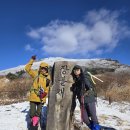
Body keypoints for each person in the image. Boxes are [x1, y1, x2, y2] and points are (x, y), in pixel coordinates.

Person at [70, 65, 101, 130]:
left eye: (77, 70)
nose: (76, 71)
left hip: (89, 100)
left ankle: (96, 128)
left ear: (80, 70)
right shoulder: (76, 80)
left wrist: (85, 93)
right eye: (74, 70)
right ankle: (92, 127)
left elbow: (90, 88)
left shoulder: (84, 78)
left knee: (93, 116)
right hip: (82, 102)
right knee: (84, 119)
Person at [25, 55, 51, 128]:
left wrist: (45, 93)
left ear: (47, 70)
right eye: (42, 68)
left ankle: (36, 124)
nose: (43, 70)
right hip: (33, 97)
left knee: (38, 113)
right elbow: (27, 68)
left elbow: (47, 87)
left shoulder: (48, 78)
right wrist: (32, 60)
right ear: (40, 68)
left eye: (45, 69)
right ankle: (33, 124)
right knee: (32, 113)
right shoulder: (35, 74)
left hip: (41, 98)